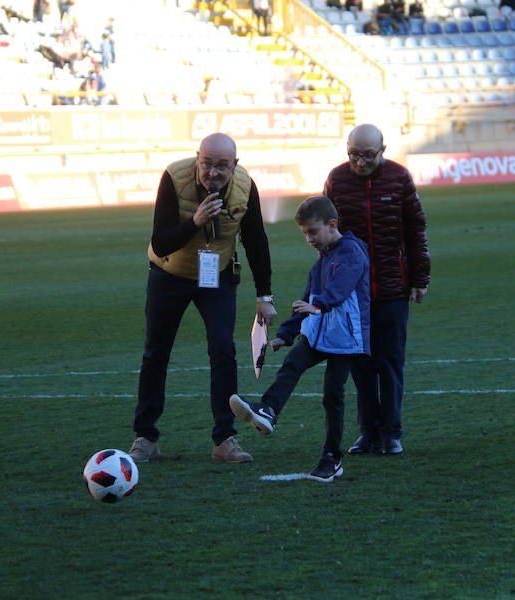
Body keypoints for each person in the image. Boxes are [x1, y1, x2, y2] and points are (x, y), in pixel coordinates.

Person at [128, 133, 277, 465]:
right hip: (170, 273)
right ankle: (145, 437)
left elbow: (256, 241)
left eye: (222, 166)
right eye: (207, 164)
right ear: (197, 158)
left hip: (217, 275)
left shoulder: (244, 185)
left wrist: (264, 295)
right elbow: (161, 241)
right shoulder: (173, 178)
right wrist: (195, 222)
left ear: (234, 165)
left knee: (223, 350)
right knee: (156, 353)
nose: (213, 172)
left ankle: (224, 439)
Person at [229, 195, 370, 482]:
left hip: (346, 337)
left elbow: (340, 289)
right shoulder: (321, 262)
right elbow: (306, 300)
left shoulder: (352, 252)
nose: (309, 239)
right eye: (304, 233)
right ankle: (268, 409)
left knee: (333, 394)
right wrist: (286, 333)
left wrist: (318, 306)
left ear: (332, 225)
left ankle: (332, 457)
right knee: (293, 362)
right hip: (321, 332)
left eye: (313, 232)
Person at [323, 124, 430, 456]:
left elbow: (416, 230)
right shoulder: (336, 180)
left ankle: (392, 431)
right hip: (353, 291)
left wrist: (420, 278)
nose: (360, 161)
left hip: (393, 286)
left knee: (391, 361)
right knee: (360, 363)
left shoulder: (399, 178)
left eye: (368, 155)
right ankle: (369, 431)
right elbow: (326, 234)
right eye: (354, 154)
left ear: (383, 150)